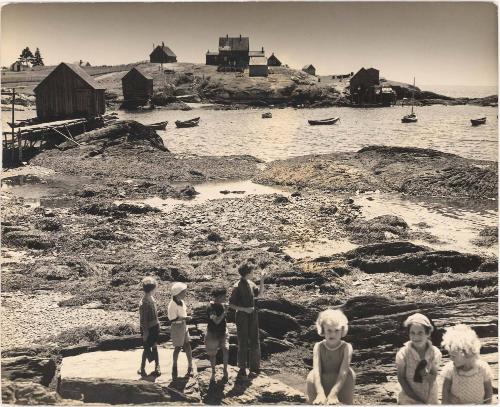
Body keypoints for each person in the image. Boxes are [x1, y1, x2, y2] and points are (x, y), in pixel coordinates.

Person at [306, 309, 355, 405]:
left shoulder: (346, 347)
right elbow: (317, 370)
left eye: (336, 330)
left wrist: (334, 393)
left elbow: (343, 371)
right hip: (320, 381)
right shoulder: (318, 346)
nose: (333, 334)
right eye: (329, 330)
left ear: (342, 330)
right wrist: (320, 393)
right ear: (323, 329)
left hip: (342, 381)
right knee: (311, 377)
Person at [229, 263, 266, 378]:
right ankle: (242, 368)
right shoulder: (237, 286)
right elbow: (231, 305)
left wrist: (262, 280)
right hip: (242, 316)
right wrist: (245, 309)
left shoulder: (251, 283)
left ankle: (255, 367)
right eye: (252, 272)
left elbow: (260, 294)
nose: (253, 273)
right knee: (243, 341)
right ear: (247, 273)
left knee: (255, 339)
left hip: (252, 314)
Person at [395, 313, 441, 404]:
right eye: (412, 333)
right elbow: (401, 378)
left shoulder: (434, 353)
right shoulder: (403, 354)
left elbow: (433, 377)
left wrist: (425, 375)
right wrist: (416, 400)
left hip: (429, 395)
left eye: (420, 333)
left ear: (428, 333)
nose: (416, 337)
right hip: (408, 396)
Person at [441, 324, 493, 404]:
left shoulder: (482, 368)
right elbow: (445, 392)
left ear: (467, 353)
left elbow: (488, 390)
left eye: (453, 356)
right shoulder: (450, 370)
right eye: (450, 355)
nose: (450, 359)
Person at [168, 282, 193, 378]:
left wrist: (186, 317)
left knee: (187, 344)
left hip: (183, 325)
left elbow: (183, 313)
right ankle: (174, 365)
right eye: (184, 292)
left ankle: (190, 365)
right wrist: (185, 318)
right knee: (178, 347)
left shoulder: (181, 302)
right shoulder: (172, 304)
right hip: (177, 327)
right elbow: (172, 319)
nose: (185, 294)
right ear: (178, 293)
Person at [205, 287, 229, 383]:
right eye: (224, 296)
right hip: (212, 333)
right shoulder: (210, 307)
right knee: (212, 354)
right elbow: (216, 321)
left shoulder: (221, 305)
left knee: (226, 350)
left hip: (223, 332)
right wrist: (225, 312)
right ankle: (213, 372)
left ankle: (225, 370)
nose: (225, 298)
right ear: (218, 297)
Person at [138, 276, 161, 377]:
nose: (156, 290)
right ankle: (142, 367)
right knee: (147, 348)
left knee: (154, 346)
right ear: (152, 290)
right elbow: (143, 320)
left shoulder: (151, 298)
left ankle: (157, 367)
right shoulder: (144, 303)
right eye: (155, 288)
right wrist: (145, 332)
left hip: (155, 326)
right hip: (148, 328)